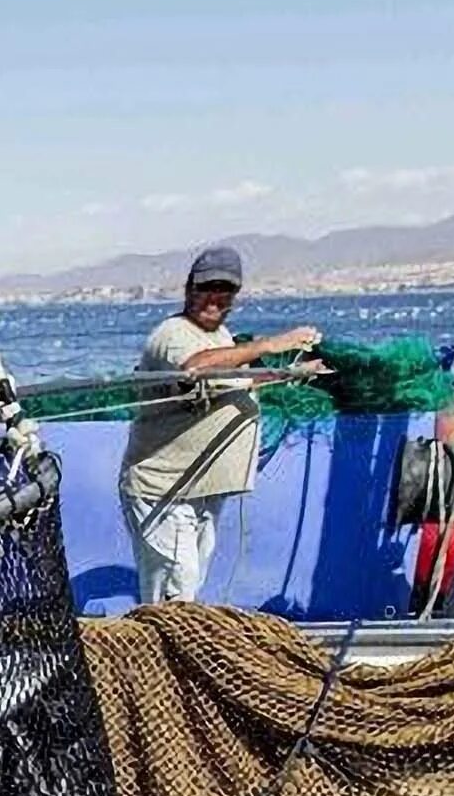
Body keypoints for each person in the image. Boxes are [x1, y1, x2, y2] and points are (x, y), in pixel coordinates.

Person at [118, 245, 323, 604]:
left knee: (187, 586)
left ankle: (169, 649)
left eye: (224, 289)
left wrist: (288, 373)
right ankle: (167, 652)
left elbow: (235, 380)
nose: (215, 297)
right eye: (206, 287)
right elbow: (196, 368)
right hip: (164, 490)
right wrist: (272, 344)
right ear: (189, 289)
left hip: (203, 488)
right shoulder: (174, 334)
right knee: (177, 584)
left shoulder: (221, 337)